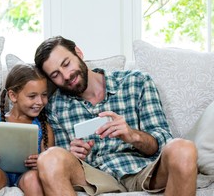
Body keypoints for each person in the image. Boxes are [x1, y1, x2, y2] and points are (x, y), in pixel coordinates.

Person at [34, 36, 198, 196]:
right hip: (93, 176)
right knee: (49, 158)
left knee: (183, 149)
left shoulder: (137, 82)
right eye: (56, 74)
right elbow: (61, 158)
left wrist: (133, 135)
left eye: (66, 64)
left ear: (78, 53)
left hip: (141, 170)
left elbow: (163, 143)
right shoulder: (55, 106)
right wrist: (73, 154)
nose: (66, 75)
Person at [0, 63, 55, 196]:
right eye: (32, 96)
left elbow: (49, 167)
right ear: (13, 96)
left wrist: (40, 163)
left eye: (44, 95)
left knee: (34, 179)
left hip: (27, 175)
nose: (40, 101)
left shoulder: (45, 129)